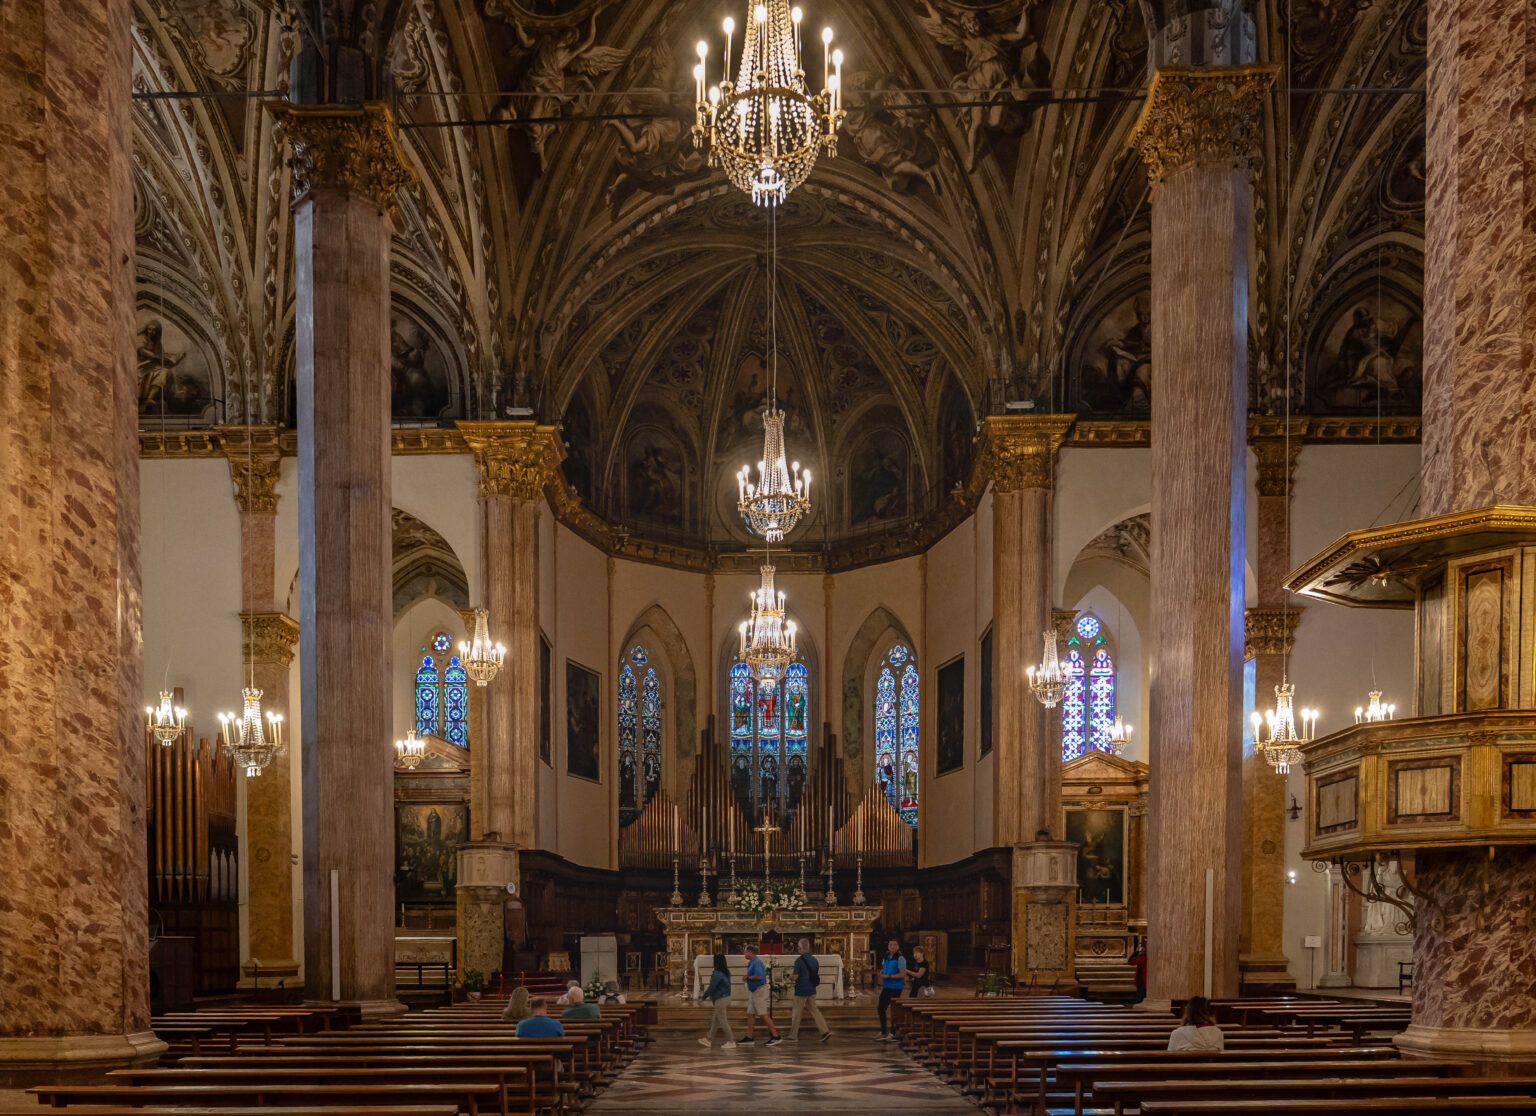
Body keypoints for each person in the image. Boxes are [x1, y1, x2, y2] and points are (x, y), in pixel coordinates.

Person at [788, 938, 831, 1043]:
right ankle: (825, 1031)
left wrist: (789, 977)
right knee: (814, 1010)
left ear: (800, 948)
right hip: (812, 988)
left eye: (798, 948)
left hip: (801, 990)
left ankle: (793, 1035)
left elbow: (796, 977)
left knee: (797, 1012)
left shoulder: (799, 961)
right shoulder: (814, 960)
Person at [739, 945, 782, 1046]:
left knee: (762, 1014)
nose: (744, 954)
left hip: (760, 991)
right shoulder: (752, 962)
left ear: (750, 952)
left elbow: (759, 977)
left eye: (745, 952)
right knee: (750, 1014)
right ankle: (749, 1037)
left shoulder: (756, 962)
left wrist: (747, 978)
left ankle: (776, 1036)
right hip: (754, 992)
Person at [699, 953, 737, 1050]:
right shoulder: (726, 972)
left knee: (723, 1021)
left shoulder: (717, 974)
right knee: (715, 1021)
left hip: (720, 999)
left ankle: (731, 1041)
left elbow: (712, 987)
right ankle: (708, 1039)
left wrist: (703, 997)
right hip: (726, 997)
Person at [877, 938, 907, 1040]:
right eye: (890, 944)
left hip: (896, 987)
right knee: (881, 1008)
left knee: (894, 1011)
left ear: (898, 946)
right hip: (886, 986)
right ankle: (883, 1030)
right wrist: (882, 973)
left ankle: (892, 1033)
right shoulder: (886, 957)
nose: (892, 946)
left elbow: (902, 974)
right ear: (888, 946)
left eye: (894, 944)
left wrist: (889, 976)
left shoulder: (901, 958)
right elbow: (884, 968)